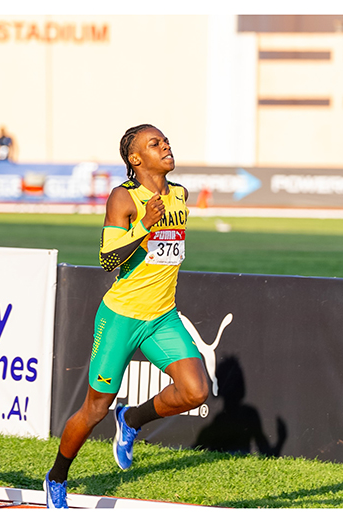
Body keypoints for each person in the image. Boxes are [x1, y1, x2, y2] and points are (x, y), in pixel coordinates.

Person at [42, 124, 209, 509]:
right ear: (135, 159)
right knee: (95, 408)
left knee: (196, 390)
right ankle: (57, 476)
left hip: (162, 317)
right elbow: (107, 259)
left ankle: (132, 420)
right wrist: (145, 224)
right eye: (155, 144)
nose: (165, 146)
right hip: (121, 317)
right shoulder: (124, 197)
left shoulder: (180, 195)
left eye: (165, 140)